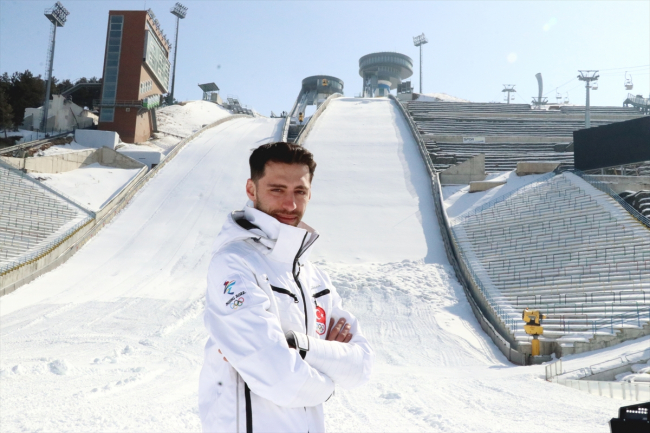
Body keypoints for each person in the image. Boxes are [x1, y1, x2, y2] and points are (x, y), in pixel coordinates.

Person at [199, 142, 373, 433]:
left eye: (300, 191)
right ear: (251, 189)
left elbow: (361, 366)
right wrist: (330, 382)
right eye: (277, 190)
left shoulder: (313, 277)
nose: (290, 204)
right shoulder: (234, 263)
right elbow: (280, 379)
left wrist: (299, 346)